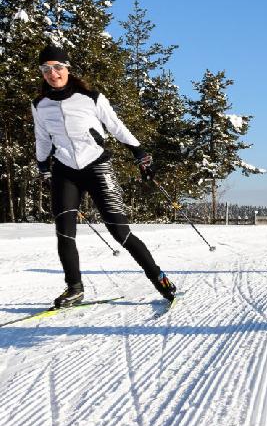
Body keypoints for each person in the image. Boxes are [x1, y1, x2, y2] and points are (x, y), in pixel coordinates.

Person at [32, 43, 177, 308]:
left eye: (58, 67)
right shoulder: (40, 105)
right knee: (64, 232)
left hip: (96, 165)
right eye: (46, 69)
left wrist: (140, 153)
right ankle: (74, 288)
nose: (53, 73)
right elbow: (42, 139)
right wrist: (42, 166)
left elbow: (116, 127)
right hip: (65, 170)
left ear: (67, 69)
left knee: (120, 232)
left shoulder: (91, 97)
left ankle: (159, 278)